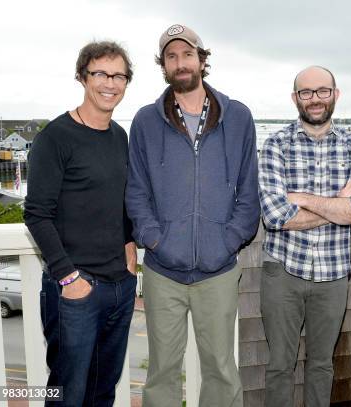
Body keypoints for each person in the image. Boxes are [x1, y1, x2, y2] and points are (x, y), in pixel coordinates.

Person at [125, 24, 260, 407]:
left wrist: (227, 240)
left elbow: (248, 193)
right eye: (171, 56)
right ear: (163, 66)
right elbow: (136, 191)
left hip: (218, 271)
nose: (180, 63)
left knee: (220, 369)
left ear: (202, 60)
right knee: (162, 372)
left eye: (188, 54)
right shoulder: (146, 122)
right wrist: (155, 239)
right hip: (162, 271)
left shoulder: (238, 117)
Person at [24, 41, 137, 407]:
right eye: (100, 73)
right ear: (82, 77)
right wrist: (68, 279)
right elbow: (36, 213)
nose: (110, 83)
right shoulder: (55, 137)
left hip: (119, 287)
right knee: (68, 395)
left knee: (102, 392)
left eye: (119, 75)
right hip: (75, 290)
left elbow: (119, 202)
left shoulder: (120, 136)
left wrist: (130, 245)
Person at [258, 66, 351, 407]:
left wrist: (305, 198)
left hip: (333, 273)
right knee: (280, 365)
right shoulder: (276, 144)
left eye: (323, 91)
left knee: (321, 365)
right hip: (282, 271)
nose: (315, 99)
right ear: (295, 98)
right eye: (306, 92)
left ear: (335, 95)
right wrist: (338, 202)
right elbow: (276, 216)